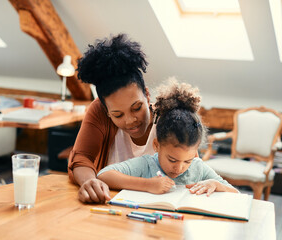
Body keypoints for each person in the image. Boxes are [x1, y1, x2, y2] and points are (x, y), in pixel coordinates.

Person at [97, 78, 239, 196]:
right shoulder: (146, 164)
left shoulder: (198, 168)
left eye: (187, 161)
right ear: (157, 145)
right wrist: (148, 185)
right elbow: (103, 175)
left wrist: (215, 184)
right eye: (172, 159)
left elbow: (236, 194)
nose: (179, 168)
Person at [68, 34, 156, 203]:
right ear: (106, 110)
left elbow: (194, 164)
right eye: (118, 115)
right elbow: (81, 158)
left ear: (146, 94)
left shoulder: (169, 115)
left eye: (136, 108)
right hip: (111, 206)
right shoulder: (98, 111)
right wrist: (89, 182)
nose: (130, 121)